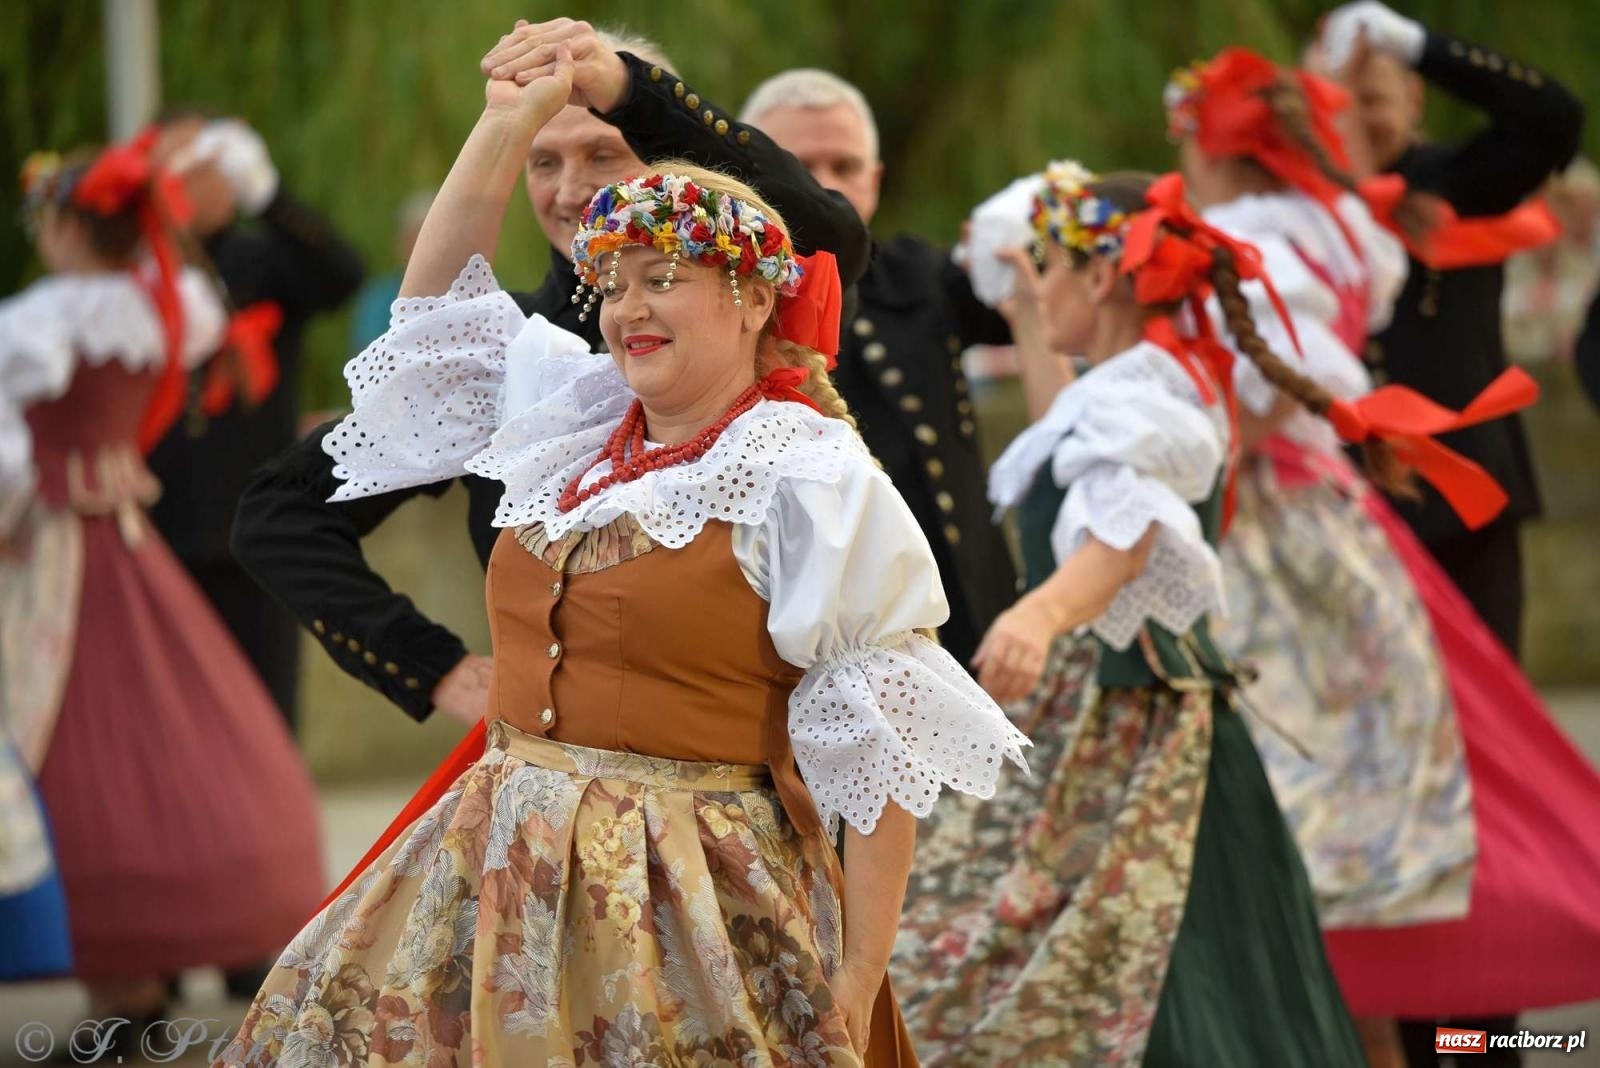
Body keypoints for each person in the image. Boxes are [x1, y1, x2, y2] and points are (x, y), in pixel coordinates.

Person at [214, 41, 1027, 1064]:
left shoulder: (805, 472)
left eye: (665, 279)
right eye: (616, 284)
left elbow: (875, 759)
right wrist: (505, 123)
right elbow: (431, 327)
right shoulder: (568, 413)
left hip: (692, 889)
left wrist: (859, 979)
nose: (630, 308)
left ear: (751, 298)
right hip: (502, 865)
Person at [229, 20, 871, 730]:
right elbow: (279, 512)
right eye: (542, 162)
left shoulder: (752, 310)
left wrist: (630, 89)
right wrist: (433, 665)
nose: (571, 191)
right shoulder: (505, 354)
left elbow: (826, 238)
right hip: (557, 756)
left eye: (604, 154)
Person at [894, 164, 1365, 1067]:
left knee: (1142, 966)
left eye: (1048, 264)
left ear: (1102, 274)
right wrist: (1034, 317)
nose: (1036, 282)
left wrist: (1038, 614)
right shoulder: (1129, 386)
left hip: (1134, 734)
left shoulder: (1142, 399)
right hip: (1122, 716)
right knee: (1096, 957)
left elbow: (1127, 534)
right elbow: (1069, 451)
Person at [0, 139, 322, 1031]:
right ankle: (145, 971)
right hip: (131, 541)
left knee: (67, 737)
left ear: (65, 226)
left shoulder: (42, 319)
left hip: (54, 546)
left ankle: (118, 983)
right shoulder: (164, 303)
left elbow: (11, 459)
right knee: (167, 729)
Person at [1315, 0, 1584, 661]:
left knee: (1490, 717)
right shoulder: (1301, 206)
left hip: (1467, 501)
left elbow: (1553, 118)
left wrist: (1418, 46)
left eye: (1372, 100)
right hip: (1350, 505)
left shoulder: (1461, 183)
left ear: (1413, 99)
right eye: (1338, 102)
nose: (1357, 119)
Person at [740, 69, 1018, 669]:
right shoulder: (722, 308)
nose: (826, 186)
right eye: (800, 166)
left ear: (876, 178)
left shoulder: (921, 276)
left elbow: (1032, 309)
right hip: (820, 634)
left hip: (965, 613)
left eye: (845, 166)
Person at [145, 113, 366, 732]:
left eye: (206, 166)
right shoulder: (133, 276)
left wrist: (268, 196)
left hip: (251, 520)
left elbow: (342, 273)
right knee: (166, 719)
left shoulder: (262, 261)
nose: (189, 183)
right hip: (159, 526)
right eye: (173, 167)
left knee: (264, 716)